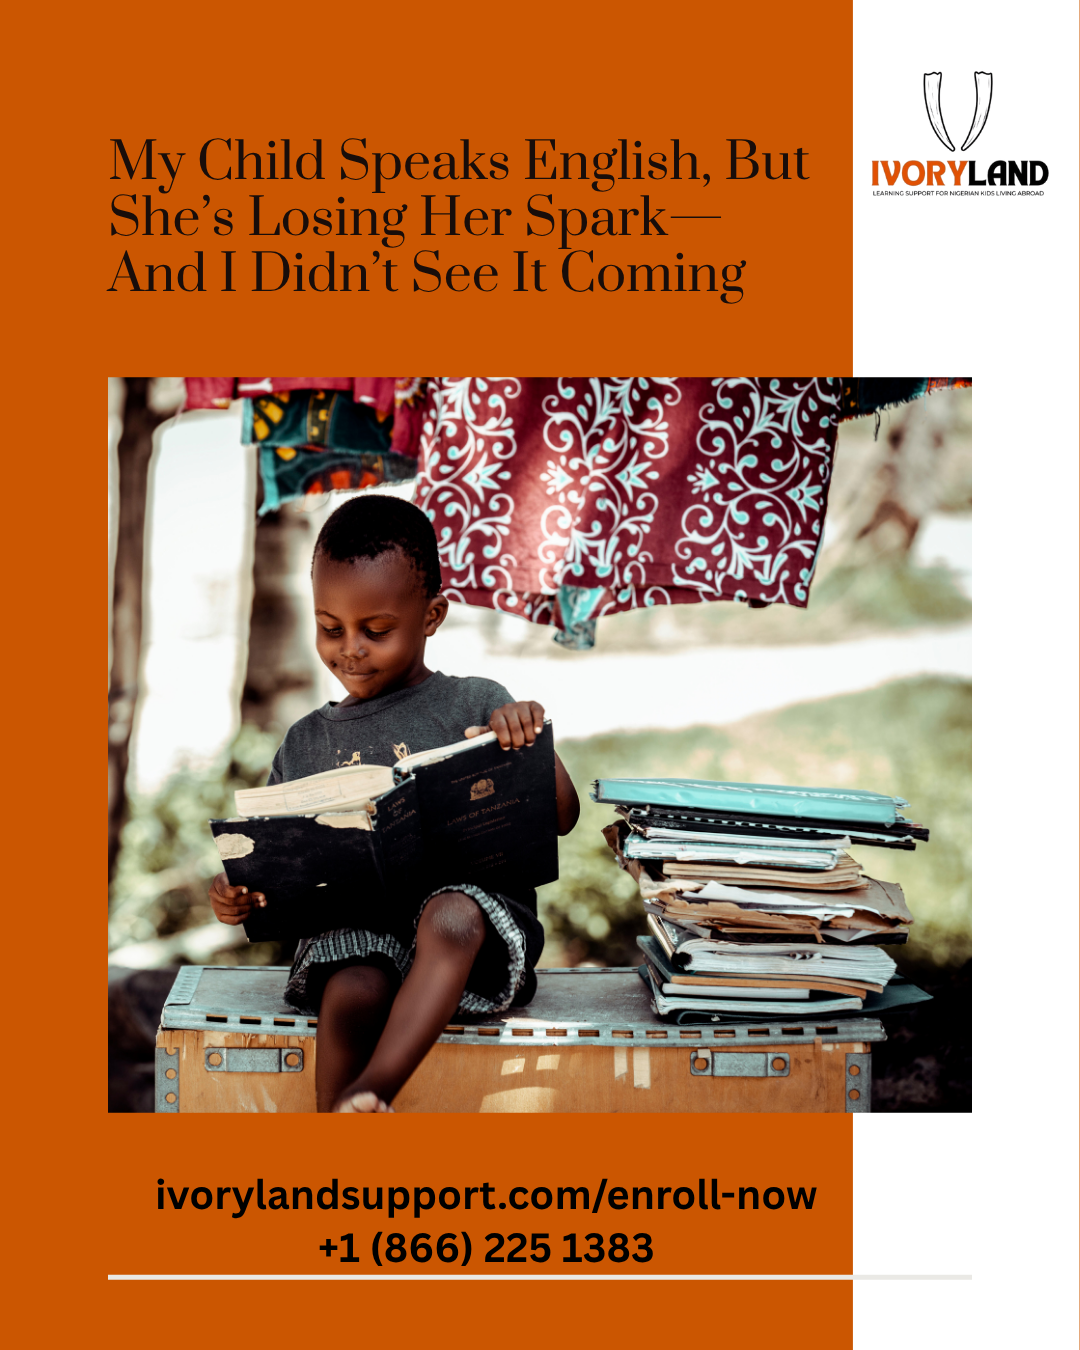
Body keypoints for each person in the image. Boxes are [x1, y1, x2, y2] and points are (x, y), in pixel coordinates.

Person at [208, 494, 580, 1113]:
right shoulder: (305, 741)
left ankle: (373, 1091)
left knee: (450, 914)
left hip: (469, 943)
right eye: (330, 627)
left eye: (375, 631)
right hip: (362, 938)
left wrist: (531, 742)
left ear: (432, 615)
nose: (349, 648)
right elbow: (271, 859)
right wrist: (235, 893)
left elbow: (561, 817)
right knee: (353, 979)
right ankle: (339, 1120)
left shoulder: (476, 701)